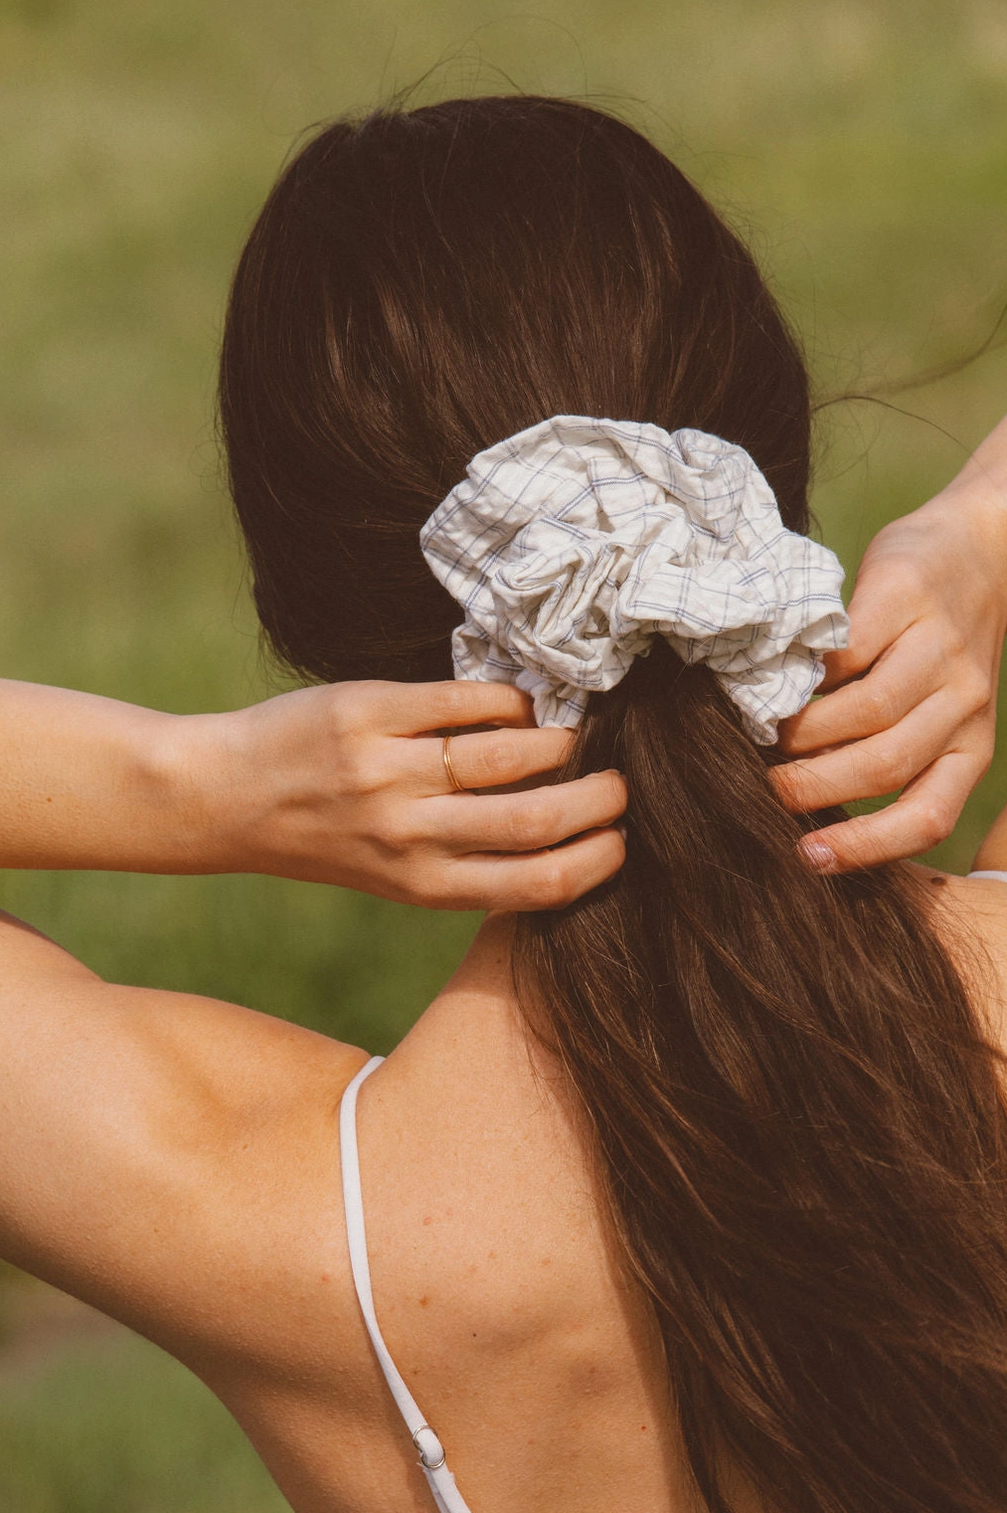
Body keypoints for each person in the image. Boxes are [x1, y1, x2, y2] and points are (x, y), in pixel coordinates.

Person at [2, 94, 1007, 1513]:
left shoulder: (288, 1231)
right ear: (761, 476)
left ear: (308, 614)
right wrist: (977, 538)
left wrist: (200, 784)